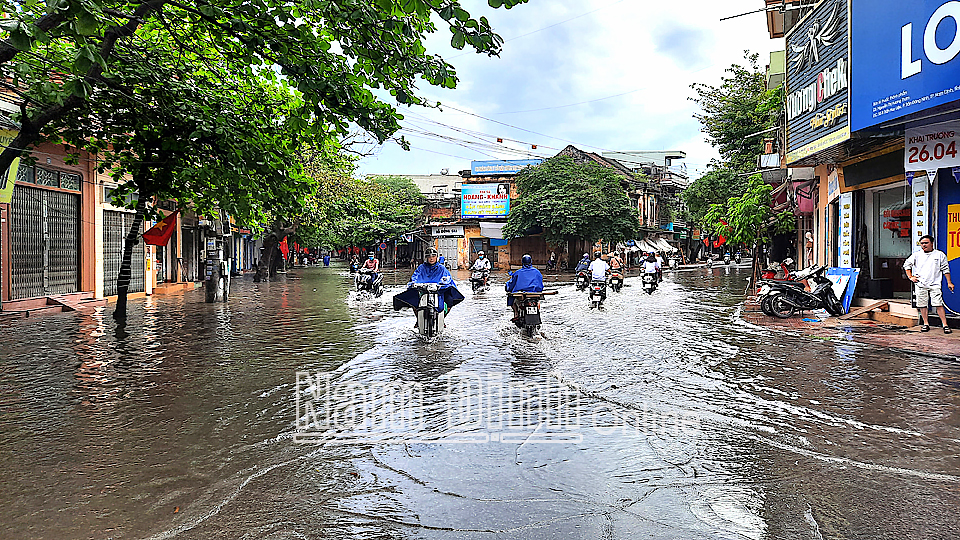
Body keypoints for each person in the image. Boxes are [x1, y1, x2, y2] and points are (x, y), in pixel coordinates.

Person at [903, 234, 955, 333]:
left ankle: (945, 325)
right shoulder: (916, 255)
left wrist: (949, 282)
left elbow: (945, 269)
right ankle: (925, 324)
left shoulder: (939, 255)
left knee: (938, 304)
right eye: (922, 243)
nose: (924, 245)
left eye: (926, 243)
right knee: (922, 305)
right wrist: (910, 277)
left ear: (932, 243)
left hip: (935, 284)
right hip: (920, 284)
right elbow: (907, 265)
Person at [393, 247, 465, 316]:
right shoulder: (421, 267)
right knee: (413, 301)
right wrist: (413, 283)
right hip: (423, 290)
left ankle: (443, 317)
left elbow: (446, 278)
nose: (431, 258)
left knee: (450, 300)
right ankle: (418, 318)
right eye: (429, 256)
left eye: (433, 256)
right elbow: (415, 276)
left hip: (439, 291)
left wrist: (442, 284)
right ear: (426, 258)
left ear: (436, 257)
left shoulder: (442, 268)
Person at [505, 254, 544, 323]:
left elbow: (511, 283)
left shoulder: (518, 272)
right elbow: (540, 284)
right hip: (534, 294)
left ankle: (516, 313)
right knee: (538, 300)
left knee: (512, 298)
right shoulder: (537, 272)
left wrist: (508, 287)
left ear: (522, 262)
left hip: (522, 295)